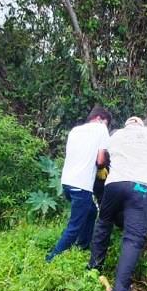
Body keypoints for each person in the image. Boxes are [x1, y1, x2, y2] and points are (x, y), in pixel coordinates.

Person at [88, 116, 147, 291]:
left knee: (103, 224)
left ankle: (93, 268)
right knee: (133, 238)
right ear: (141, 125)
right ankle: (120, 290)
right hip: (140, 187)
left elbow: (104, 156)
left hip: (114, 185)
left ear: (126, 125)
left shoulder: (115, 136)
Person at [45, 106, 112, 262]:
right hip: (81, 186)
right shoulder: (101, 129)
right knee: (74, 226)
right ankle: (51, 258)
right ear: (99, 119)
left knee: (91, 211)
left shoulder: (75, 130)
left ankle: (82, 245)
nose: (106, 127)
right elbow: (100, 160)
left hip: (67, 183)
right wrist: (103, 167)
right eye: (106, 123)